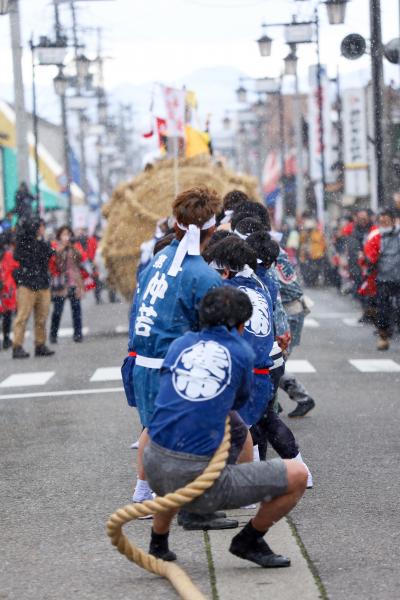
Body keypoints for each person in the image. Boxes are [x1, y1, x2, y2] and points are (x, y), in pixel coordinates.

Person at [144, 286, 308, 566]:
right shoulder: (241, 352)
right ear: (242, 324)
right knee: (297, 475)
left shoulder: (180, 344)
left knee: (231, 430)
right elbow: (241, 398)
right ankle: (249, 540)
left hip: (154, 468)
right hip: (196, 482)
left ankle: (158, 541)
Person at [126, 186, 234, 530]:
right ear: (213, 231)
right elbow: (222, 329)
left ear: (175, 225)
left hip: (143, 362)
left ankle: (148, 496)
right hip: (171, 369)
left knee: (157, 432)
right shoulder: (202, 275)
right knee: (200, 436)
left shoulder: (158, 260)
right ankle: (190, 505)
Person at [12, 218, 55, 358]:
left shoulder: (41, 243)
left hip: (41, 283)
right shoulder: (24, 243)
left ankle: (40, 344)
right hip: (27, 284)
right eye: (40, 226)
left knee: (42, 316)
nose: (42, 229)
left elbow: (50, 254)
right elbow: (19, 257)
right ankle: (17, 345)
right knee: (23, 316)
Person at [363, 209, 400, 351]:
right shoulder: (376, 236)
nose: (384, 223)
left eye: (387, 220)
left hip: (398, 277)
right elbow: (369, 256)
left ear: (392, 220)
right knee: (383, 309)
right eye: (382, 221)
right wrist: (368, 260)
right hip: (382, 278)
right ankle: (383, 336)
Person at [49, 226, 86, 344]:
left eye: (68, 234)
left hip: (74, 281)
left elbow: (82, 258)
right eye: (63, 234)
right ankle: (53, 334)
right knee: (57, 310)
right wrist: (61, 248)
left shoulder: (74, 246)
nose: (66, 237)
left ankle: (78, 334)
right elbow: (54, 262)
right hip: (60, 283)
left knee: (76, 309)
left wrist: (72, 247)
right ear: (59, 236)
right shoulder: (55, 246)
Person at [0, 232, 18, 350]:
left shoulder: (7, 254)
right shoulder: (8, 254)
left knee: (6, 314)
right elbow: (16, 268)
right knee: (6, 315)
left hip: (5, 287)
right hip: (6, 289)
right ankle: (6, 339)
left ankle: (6, 339)